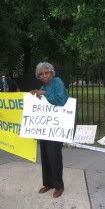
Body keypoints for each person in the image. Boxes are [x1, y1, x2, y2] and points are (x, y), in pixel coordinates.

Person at [31, 62, 68, 198]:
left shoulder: (57, 82)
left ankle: (59, 185)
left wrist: (44, 94)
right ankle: (48, 183)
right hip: (45, 129)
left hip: (56, 128)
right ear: (38, 76)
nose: (45, 75)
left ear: (52, 73)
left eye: (47, 72)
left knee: (55, 157)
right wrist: (35, 96)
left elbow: (61, 100)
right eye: (41, 74)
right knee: (45, 156)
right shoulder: (41, 87)